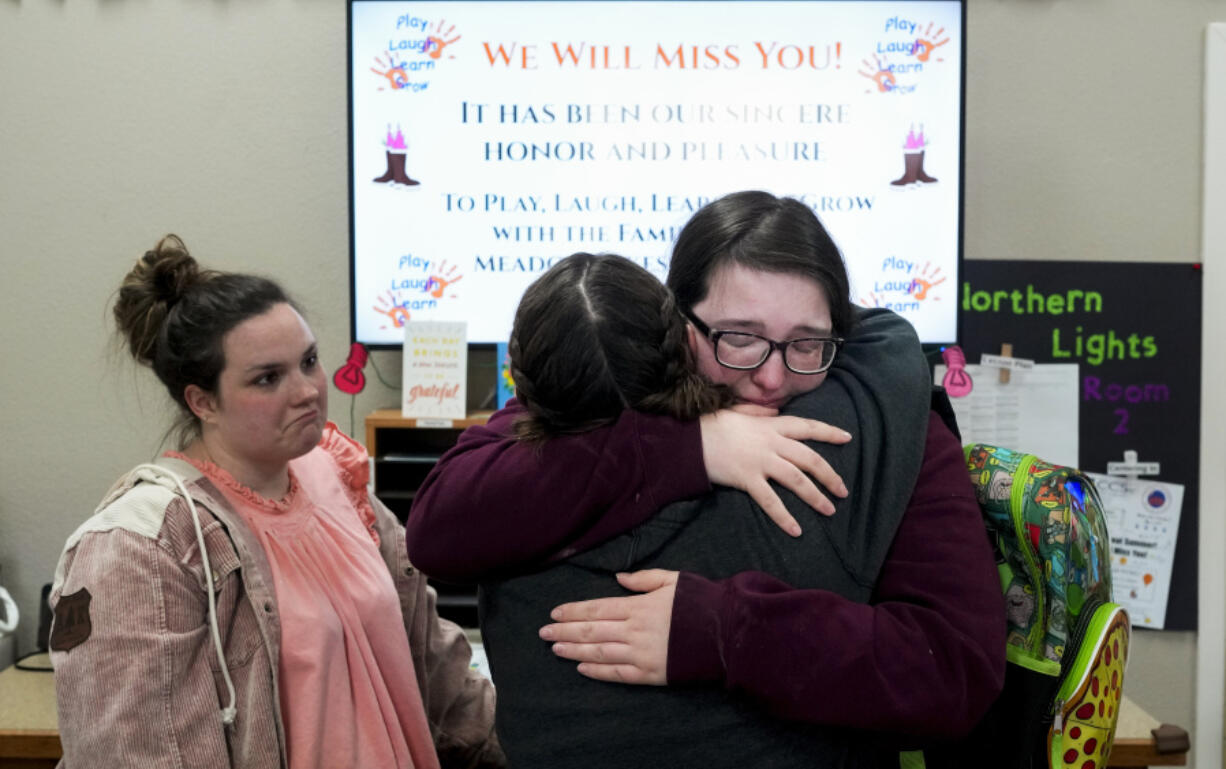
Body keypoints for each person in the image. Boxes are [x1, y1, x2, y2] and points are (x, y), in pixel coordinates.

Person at [405, 191, 1005, 767]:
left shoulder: (889, 426)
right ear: (675, 325)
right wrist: (689, 447)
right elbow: (442, 526)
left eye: (809, 343)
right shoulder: (609, 388)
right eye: (739, 338)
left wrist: (728, 629)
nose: (772, 377)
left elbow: (953, 670)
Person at [49, 236, 504, 769]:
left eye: (308, 361)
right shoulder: (144, 545)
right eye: (268, 378)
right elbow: (139, 753)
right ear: (202, 401)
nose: (307, 390)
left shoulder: (338, 480)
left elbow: (439, 678)